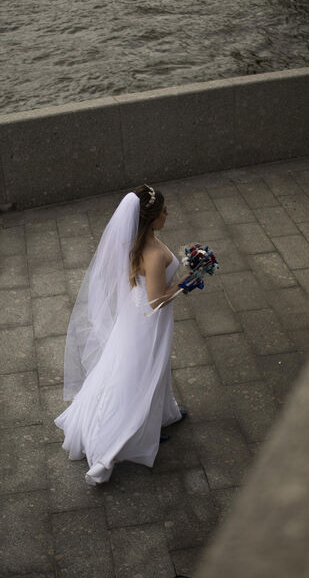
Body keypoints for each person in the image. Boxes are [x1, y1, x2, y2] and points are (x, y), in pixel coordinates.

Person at [55, 184, 190, 485]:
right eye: (163, 211)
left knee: (130, 369)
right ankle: (114, 441)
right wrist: (185, 284)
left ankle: (158, 416)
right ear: (151, 218)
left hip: (132, 316)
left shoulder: (134, 241)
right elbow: (155, 302)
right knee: (141, 374)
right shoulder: (154, 254)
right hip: (148, 324)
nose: (168, 214)